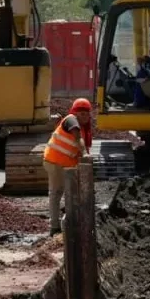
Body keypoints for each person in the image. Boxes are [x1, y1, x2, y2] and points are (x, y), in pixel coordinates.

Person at [42, 98, 93, 236]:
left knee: (70, 192)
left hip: (66, 165)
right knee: (56, 193)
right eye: (81, 113)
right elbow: (77, 139)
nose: (84, 116)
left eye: (86, 114)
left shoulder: (83, 128)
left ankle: (70, 221)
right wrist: (85, 154)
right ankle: (54, 227)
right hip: (55, 162)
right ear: (75, 113)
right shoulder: (71, 120)